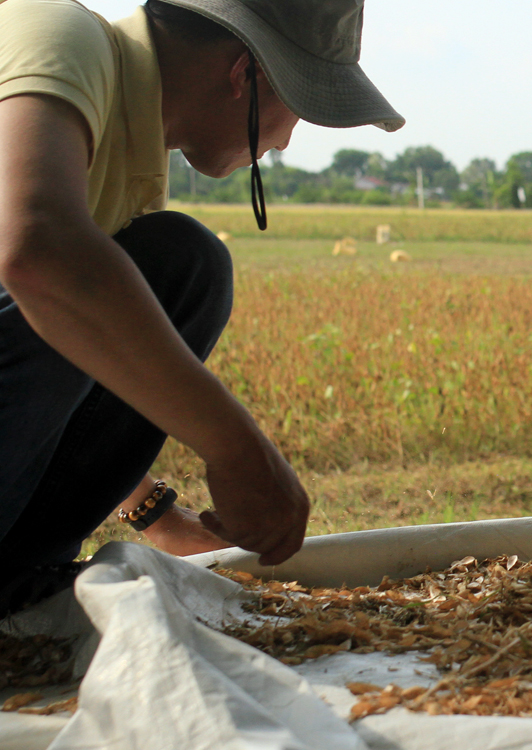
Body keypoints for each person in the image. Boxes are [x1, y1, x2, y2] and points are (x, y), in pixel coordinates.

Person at [0, 0, 404, 616]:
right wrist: (238, 449)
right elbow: (38, 252)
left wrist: (153, 513)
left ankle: (14, 582)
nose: (287, 141)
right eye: (298, 108)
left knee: (179, 265)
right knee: (176, 264)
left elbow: (70, 335)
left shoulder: (123, 150)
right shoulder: (57, 34)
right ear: (245, 74)